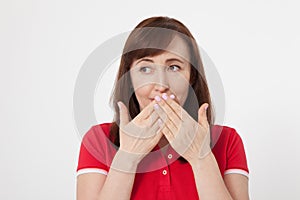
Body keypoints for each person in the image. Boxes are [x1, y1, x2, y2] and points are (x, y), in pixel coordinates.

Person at [76, 16, 249, 200]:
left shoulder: (227, 141)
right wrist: (127, 158)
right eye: (145, 69)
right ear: (129, 78)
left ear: (191, 77)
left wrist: (201, 159)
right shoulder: (98, 140)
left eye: (174, 67)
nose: (161, 84)